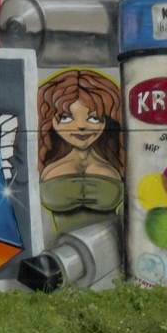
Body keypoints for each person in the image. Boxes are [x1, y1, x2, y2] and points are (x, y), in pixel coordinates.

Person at [37, 67, 126, 234]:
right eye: (66, 117)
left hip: (112, 250)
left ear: (107, 120)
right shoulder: (46, 161)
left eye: (93, 118)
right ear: (51, 121)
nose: (81, 126)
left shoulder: (116, 161)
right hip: (60, 253)